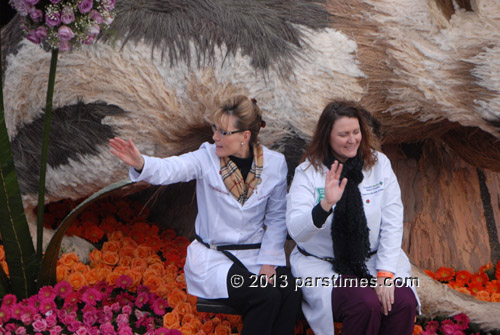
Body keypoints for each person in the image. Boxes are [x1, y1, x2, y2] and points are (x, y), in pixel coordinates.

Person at [110, 95, 301, 335]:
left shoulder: (275, 164)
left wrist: (269, 263)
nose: (215, 137)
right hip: (214, 260)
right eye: (215, 129)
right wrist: (141, 163)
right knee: (265, 295)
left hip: (256, 255)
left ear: (245, 136)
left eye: (223, 132)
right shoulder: (206, 157)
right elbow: (172, 169)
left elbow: (275, 218)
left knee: (291, 291)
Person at [286, 101, 419, 335]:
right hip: (325, 266)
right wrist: (325, 205)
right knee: (365, 305)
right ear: (327, 136)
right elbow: (297, 231)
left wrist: (386, 273)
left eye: (356, 132)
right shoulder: (308, 172)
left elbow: (392, 221)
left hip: (374, 261)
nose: (352, 140)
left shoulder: (379, 164)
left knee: (403, 303)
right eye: (343, 134)